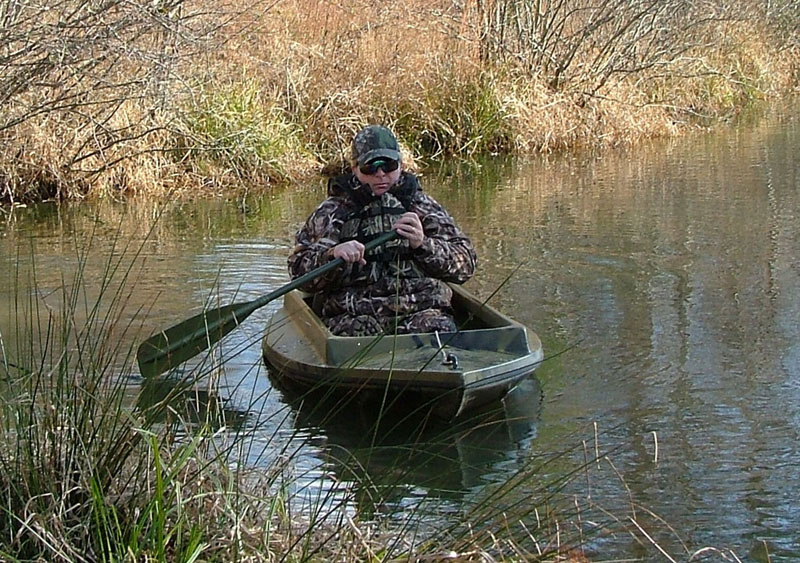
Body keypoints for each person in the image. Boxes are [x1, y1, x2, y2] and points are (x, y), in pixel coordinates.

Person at [288, 124, 477, 336]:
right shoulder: (333, 212)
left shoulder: (422, 205)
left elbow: (465, 264)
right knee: (354, 337)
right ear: (355, 169)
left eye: (388, 165)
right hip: (355, 315)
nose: (380, 174)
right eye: (370, 167)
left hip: (419, 310)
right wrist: (331, 255)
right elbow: (298, 272)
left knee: (441, 331)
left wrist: (423, 244)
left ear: (400, 165)